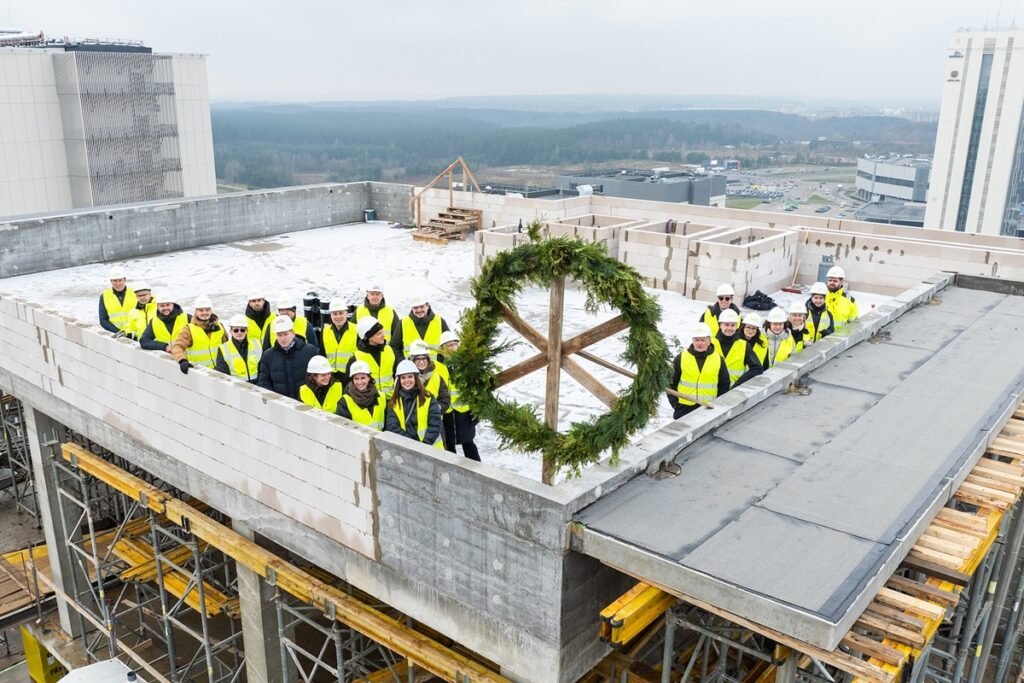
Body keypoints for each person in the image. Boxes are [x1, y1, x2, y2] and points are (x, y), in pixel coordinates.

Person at [668, 323, 731, 419]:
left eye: (703, 340)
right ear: (692, 340)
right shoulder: (681, 358)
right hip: (684, 407)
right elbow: (670, 383)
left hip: (707, 407)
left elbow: (724, 384)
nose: (700, 343)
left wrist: (716, 404)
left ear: (709, 341)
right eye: (696, 340)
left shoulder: (718, 359)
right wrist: (675, 405)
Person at [438, 330, 480, 461]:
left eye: (453, 344)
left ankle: (477, 469)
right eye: (447, 345)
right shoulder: (438, 367)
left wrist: (476, 411)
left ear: (459, 346)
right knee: (449, 445)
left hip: (464, 412)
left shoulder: (467, 365)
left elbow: (476, 389)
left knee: (468, 442)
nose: (451, 348)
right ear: (442, 349)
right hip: (447, 413)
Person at [384, 360, 443, 449]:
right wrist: (412, 445)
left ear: (416, 378)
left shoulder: (428, 398)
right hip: (407, 450)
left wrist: (425, 445)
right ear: (399, 380)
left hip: (431, 449)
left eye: (410, 376)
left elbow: (435, 424)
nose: (407, 380)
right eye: (403, 377)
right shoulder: (394, 402)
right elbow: (393, 427)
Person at [257, 316, 319, 399]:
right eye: (279, 335)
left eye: (286, 334)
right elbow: (263, 382)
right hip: (280, 404)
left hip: (306, 403)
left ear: (293, 333)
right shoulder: (268, 356)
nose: (283, 338)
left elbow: (317, 379)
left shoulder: (310, 351)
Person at [408, 340, 453, 451]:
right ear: (412, 360)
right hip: (413, 425)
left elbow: (445, 399)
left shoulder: (437, 377)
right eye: (417, 359)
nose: (421, 362)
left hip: (435, 423)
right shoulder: (406, 378)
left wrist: (436, 409)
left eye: (424, 359)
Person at [170, 296, 226, 373]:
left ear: (211, 310)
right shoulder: (189, 329)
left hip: (219, 371)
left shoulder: (220, 326)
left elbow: (227, 347)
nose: (205, 313)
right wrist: (182, 360)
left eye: (207, 310)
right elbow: (177, 347)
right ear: (196, 312)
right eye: (201, 310)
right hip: (199, 372)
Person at [712, 309, 763, 387]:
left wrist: (739, 383)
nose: (729, 328)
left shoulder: (744, 345)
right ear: (720, 325)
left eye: (732, 325)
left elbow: (757, 368)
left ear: (737, 326)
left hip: (732, 393)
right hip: (712, 392)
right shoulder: (710, 343)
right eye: (726, 324)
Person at [347, 316, 397, 396]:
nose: (383, 335)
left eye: (382, 331)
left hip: (391, 400)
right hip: (369, 403)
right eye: (379, 333)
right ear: (368, 337)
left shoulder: (389, 350)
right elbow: (349, 385)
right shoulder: (356, 358)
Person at [336, 360, 387, 430]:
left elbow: (386, 426)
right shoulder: (345, 402)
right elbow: (343, 429)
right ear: (352, 380)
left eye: (363, 378)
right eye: (356, 379)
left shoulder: (381, 397)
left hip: (378, 440)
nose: (359, 382)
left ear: (369, 378)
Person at [215, 314, 262, 382]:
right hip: (236, 386)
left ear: (247, 331)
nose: (239, 333)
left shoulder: (257, 344)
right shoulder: (223, 349)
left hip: (257, 386)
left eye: (242, 330)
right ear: (230, 331)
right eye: (236, 330)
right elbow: (223, 373)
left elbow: (263, 368)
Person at [321, 301, 358, 381]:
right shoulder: (325, 331)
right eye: (335, 314)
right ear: (330, 316)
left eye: (341, 313)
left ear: (346, 314)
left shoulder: (356, 330)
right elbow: (322, 353)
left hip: (350, 376)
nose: (338, 317)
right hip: (331, 377)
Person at [98, 266, 137, 336]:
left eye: (120, 280)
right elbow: (103, 320)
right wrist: (119, 332)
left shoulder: (135, 293)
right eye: (115, 281)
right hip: (115, 334)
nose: (118, 283)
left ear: (125, 280)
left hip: (135, 333)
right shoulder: (104, 296)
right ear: (111, 281)